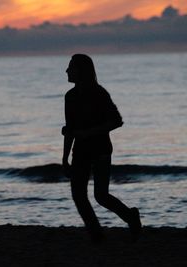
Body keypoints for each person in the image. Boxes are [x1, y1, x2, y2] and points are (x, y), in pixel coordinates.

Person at [62, 54, 142, 242]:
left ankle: (131, 217)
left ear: (81, 70)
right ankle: (97, 235)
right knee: (78, 196)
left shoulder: (99, 93)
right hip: (80, 150)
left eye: (70, 67)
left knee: (101, 195)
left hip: (100, 149)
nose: (66, 71)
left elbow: (117, 121)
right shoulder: (70, 96)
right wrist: (64, 158)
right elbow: (70, 129)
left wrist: (89, 133)